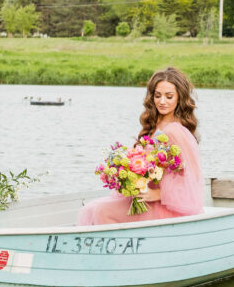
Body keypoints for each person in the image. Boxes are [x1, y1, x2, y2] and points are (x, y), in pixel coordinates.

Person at [78, 67, 204, 225]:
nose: (162, 101)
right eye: (157, 96)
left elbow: (193, 175)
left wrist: (159, 193)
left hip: (165, 205)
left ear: (179, 98)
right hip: (144, 197)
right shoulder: (154, 125)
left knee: (101, 211)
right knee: (90, 209)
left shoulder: (175, 130)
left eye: (169, 96)